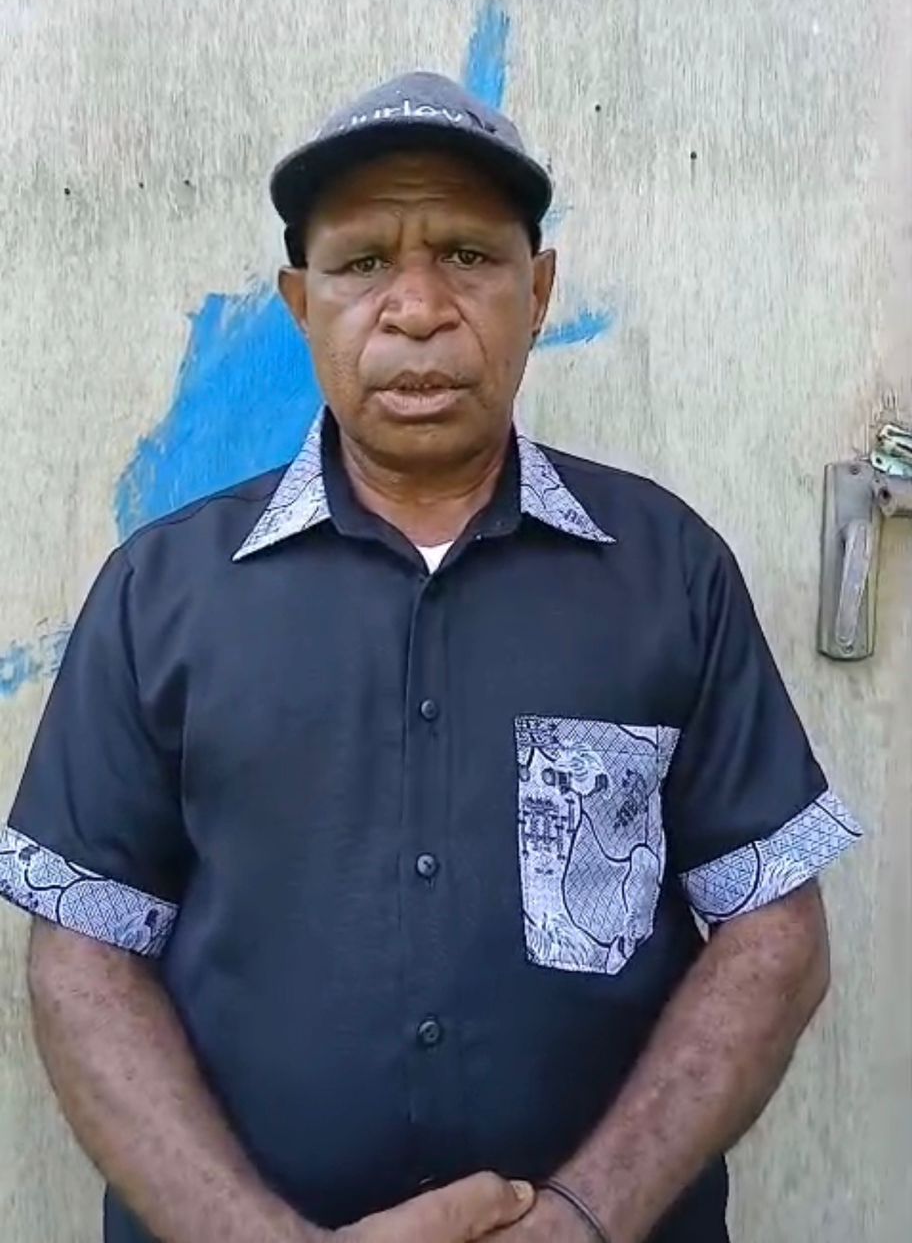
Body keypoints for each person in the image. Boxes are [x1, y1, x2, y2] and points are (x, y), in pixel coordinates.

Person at [0, 71, 861, 1243]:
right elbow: (83, 960)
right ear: (301, 303)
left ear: (537, 290)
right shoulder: (162, 592)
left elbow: (774, 934)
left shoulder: (670, 571)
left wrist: (584, 1216)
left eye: (466, 255)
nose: (416, 308)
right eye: (363, 263)